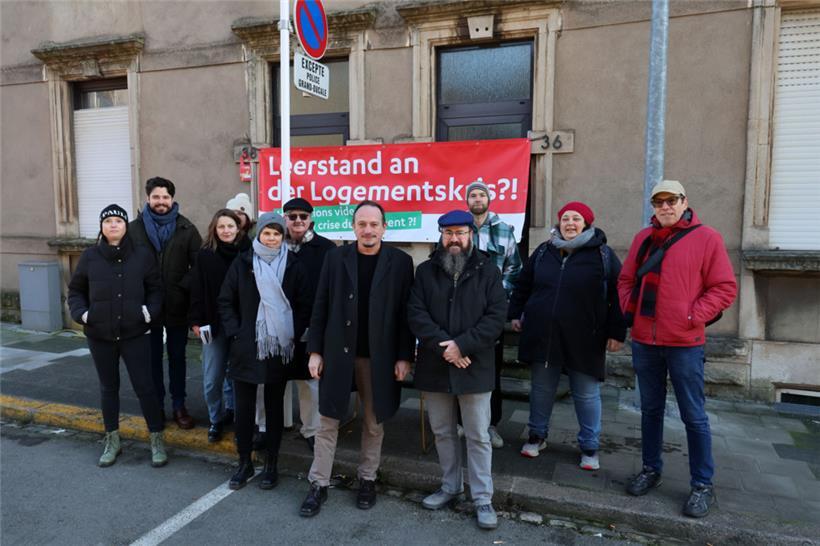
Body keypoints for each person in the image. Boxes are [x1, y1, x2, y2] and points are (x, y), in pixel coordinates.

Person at [617, 180, 736, 518]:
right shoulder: (643, 239)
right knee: (650, 410)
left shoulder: (707, 238)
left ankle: (702, 484)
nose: (665, 207)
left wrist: (691, 316)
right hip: (645, 340)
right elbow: (625, 281)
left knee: (693, 416)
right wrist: (631, 311)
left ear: (685, 202)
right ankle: (651, 469)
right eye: (659, 202)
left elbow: (724, 287)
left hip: (684, 343)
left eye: (672, 201)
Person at [299, 201, 414, 517]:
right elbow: (320, 305)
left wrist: (405, 356)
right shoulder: (335, 259)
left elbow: (406, 315)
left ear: (384, 228)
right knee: (328, 421)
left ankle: (367, 479)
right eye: (362, 224)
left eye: (374, 224)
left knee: (373, 423)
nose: (368, 230)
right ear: (353, 227)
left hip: (379, 357)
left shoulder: (401, 263)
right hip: (338, 354)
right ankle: (318, 484)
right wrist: (315, 351)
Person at [407, 210, 507, 530]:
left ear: (470, 235)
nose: (454, 239)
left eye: (460, 233)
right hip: (437, 365)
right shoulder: (425, 271)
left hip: (475, 365)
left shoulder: (488, 270)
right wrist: (446, 348)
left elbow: (495, 317)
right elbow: (416, 314)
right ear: (440, 236)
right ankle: (450, 487)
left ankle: (482, 498)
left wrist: (462, 346)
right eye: (448, 233)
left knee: (478, 435)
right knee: (442, 432)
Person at [508, 202, 626, 470]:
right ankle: (537, 436)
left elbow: (620, 296)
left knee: (586, 394)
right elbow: (523, 285)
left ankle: (589, 446)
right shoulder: (543, 251)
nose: (570, 223)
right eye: (565, 218)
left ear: (586, 223)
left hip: (586, 339)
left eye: (576, 218)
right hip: (544, 335)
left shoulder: (603, 255)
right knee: (541, 389)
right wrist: (516, 313)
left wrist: (617, 332)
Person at [68, 204, 168, 467]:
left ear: (126, 226)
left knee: (145, 387)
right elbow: (76, 291)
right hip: (100, 335)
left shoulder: (142, 255)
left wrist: (148, 313)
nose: (113, 225)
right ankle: (112, 440)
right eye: (108, 221)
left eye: (118, 221)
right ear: (102, 227)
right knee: (108, 388)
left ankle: (156, 439)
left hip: (135, 333)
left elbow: (156, 290)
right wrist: (83, 315)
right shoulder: (89, 257)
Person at [217, 212, 311, 490]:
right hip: (246, 346)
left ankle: (271, 464)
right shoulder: (243, 262)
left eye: (277, 233)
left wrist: (291, 332)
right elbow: (226, 300)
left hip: (279, 347)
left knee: (273, 407)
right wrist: (237, 332)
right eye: (267, 233)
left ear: (283, 237)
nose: (271, 238)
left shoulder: (294, 265)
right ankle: (244, 463)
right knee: (244, 410)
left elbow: (304, 304)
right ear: (258, 234)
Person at [130, 177, 202, 429]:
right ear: (148, 198)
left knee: (177, 357)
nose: (161, 202)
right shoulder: (134, 229)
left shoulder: (186, 229)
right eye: (156, 197)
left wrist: (182, 288)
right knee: (151, 359)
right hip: (146, 307)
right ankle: (157, 405)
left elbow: (199, 267)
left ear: (172, 199)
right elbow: (124, 267)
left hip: (177, 307)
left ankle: (179, 405)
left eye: (165, 197)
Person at [466, 178, 522, 448]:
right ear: (468, 201)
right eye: (473, 195)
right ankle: (461, 423)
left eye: (481, 195)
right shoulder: (458, 229)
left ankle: (491, 425)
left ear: (489, 200)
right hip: (462, 313)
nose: (477, 199)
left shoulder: (504, 231)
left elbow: (514, 269)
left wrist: (495, 295)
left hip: (491, 314)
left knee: (491, 370)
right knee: (461, 366)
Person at [189, 209, 250, 443]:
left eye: (230, 226)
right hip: (211, 325)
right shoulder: (205, 255)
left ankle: (234, 413)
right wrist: (195, 321)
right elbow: (196, 288)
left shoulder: (248, 252)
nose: (226, 230)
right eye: (221, 226)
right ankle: (215, 419)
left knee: (235, 375)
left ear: (238, 228)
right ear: (215, 229)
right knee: (212, 377)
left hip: (240, 325)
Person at [282, 197, 336, 451]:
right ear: (285, 220)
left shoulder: (326, 249)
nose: (298, 221)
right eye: (292, 217)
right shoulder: (275, 244)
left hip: (311, 323)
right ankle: (275, 423)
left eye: (303, 217)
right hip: (278, 323)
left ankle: (311, 429)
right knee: (274, 378)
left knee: (309, 380)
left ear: (311, 219)